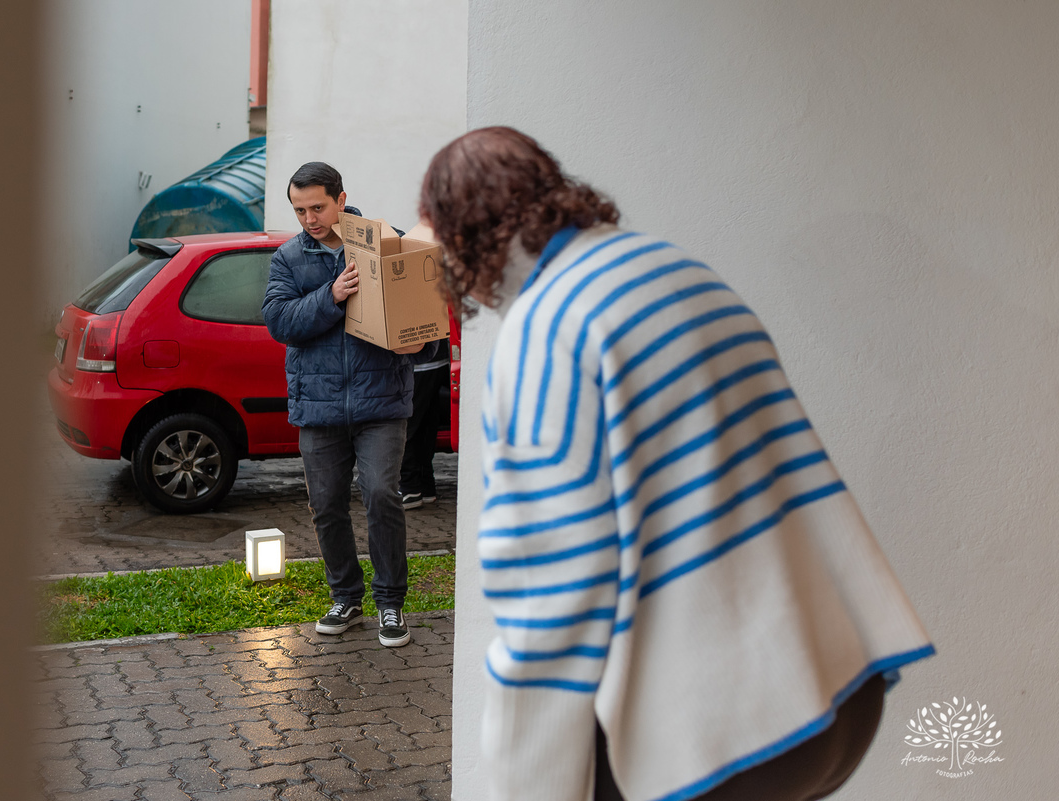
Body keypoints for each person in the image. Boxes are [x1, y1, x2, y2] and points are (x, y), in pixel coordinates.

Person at [418, 127, 934, 801]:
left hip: (732, 734)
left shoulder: (548, 328)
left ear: (465, 234)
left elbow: (552, 592)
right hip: (840, 686)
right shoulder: (673, 267)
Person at [262, 161, 415, 648]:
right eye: (300, 209)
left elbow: (421, 315)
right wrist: (330, 296)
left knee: (381, 496)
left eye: (318, 207)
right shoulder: (288, 258)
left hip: (381, 402)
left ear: (341, 199)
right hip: (319, 407)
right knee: (326, 505)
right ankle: (345, 598)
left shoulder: (385, 243)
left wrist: (420, 343)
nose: (309, 218)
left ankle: (390, 604)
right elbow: (279, 322)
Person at [399, 336, 450, 509]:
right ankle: (425, 486)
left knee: (407, 426)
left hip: (414, 358)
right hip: (436, 356)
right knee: (426, 424)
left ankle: (409, 488)